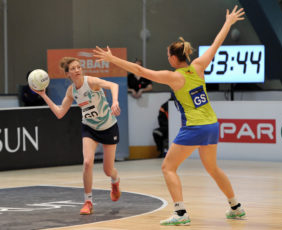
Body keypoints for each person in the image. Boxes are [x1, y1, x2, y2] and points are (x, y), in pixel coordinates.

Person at [93, 5, 246, 226]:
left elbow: (141, 72)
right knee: (213, 168)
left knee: (168, 167)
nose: (167, 58)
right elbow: (216, 44)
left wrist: (112, 59)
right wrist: (228, 23)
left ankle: (181, 213)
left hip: (194, 127)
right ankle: (236, 207)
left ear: (175, 58)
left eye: (168, 54)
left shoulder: (174, 77)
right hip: (212, 124)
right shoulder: (198, 66)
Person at [30, 57, 121, 215]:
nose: (77, 70)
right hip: (89, 128)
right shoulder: (71, 91)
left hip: (108, 127)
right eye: (73, 68)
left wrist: (114, 101)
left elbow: (114, 85)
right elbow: (59, 113)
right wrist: (44, 95)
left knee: (108, 170)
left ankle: (115, 181)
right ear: (68, 74)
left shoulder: (91, 81)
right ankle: (88, 201)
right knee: (87, 162)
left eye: (79, 67)